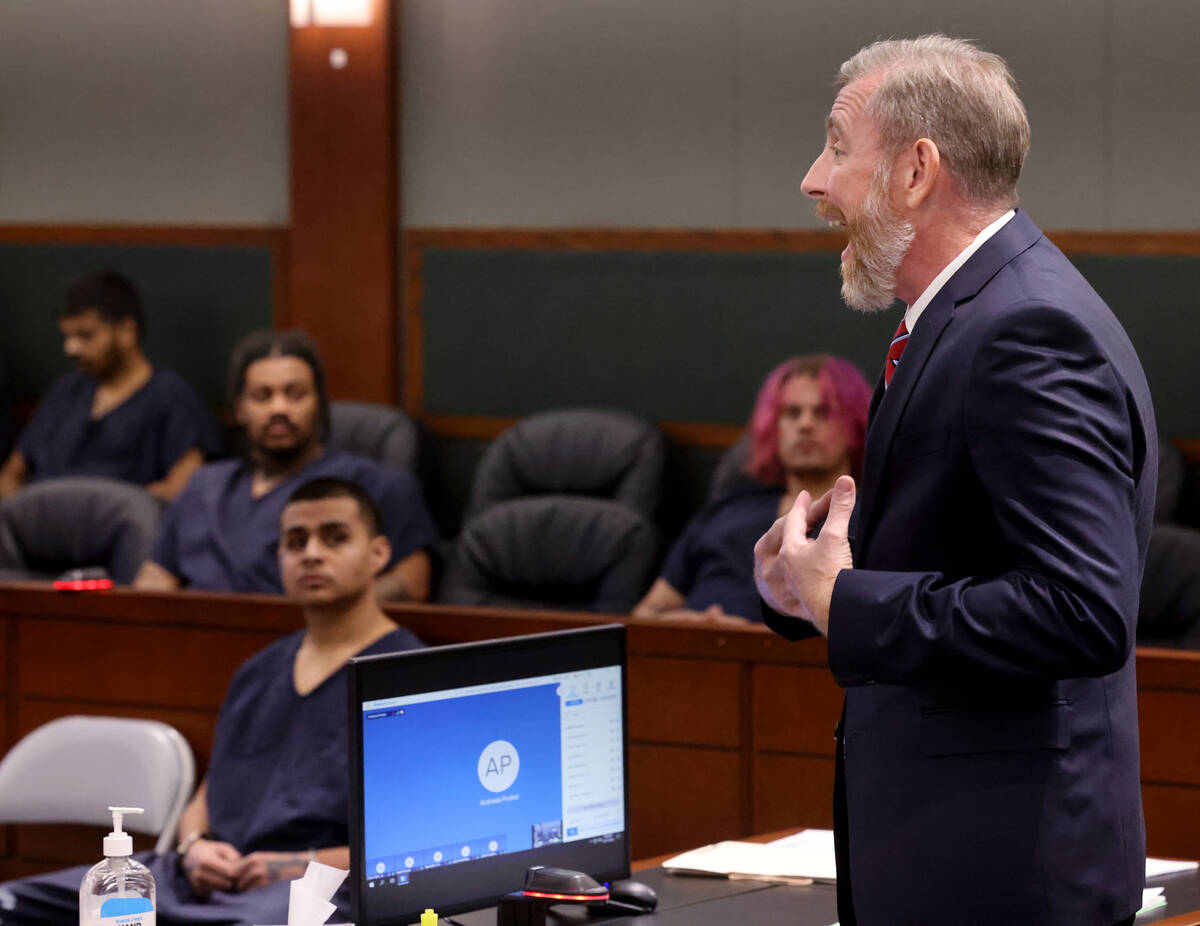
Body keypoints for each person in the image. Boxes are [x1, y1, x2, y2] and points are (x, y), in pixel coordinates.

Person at [753, 36, 1156, 926]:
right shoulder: (969, 313)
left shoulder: (1027, 328)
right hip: (956, 860)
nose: (814, 180)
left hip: (1004, 879)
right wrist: (804, 581)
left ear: (915, 171)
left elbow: (1082, 610)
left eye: (836, 146)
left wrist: (849, 604)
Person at [0, 477, 424, 924]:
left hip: (314, 886)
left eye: (335, 538)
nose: (312, 553)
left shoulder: (406, 673)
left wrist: (298, 864)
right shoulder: (258, 669)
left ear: (379, 553)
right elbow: (209, 793)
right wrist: (193, 846)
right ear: (279, 557)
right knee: (12, 905)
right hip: (201, 877)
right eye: (295, 541)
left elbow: (414, 843)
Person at [134, 329, 437, 601]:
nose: (279, 409)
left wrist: (327, 610)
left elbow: (412, 584)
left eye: (295, 394)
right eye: (263, 396)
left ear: (319, 403)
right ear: (239, 409)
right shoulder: (203, 486)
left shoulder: (375, 484)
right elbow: (157, 576)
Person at [633, 354, 869, 624]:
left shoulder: (873, 521)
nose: (805, 424)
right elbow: (644, 616)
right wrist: (690, 628)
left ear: (853, 424)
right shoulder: (725, 511)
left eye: (823, 412)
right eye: (792, 413)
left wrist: (749, 640)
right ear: (773, 426)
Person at [0, 271, 218, 503]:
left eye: (85, 336)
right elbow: (11, 474)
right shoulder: (65, 391)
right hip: (39, 528)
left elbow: (182, 488)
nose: (71, 348)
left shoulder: (170, 396)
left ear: (127, 331)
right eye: (67, 336)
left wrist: (103, 511)